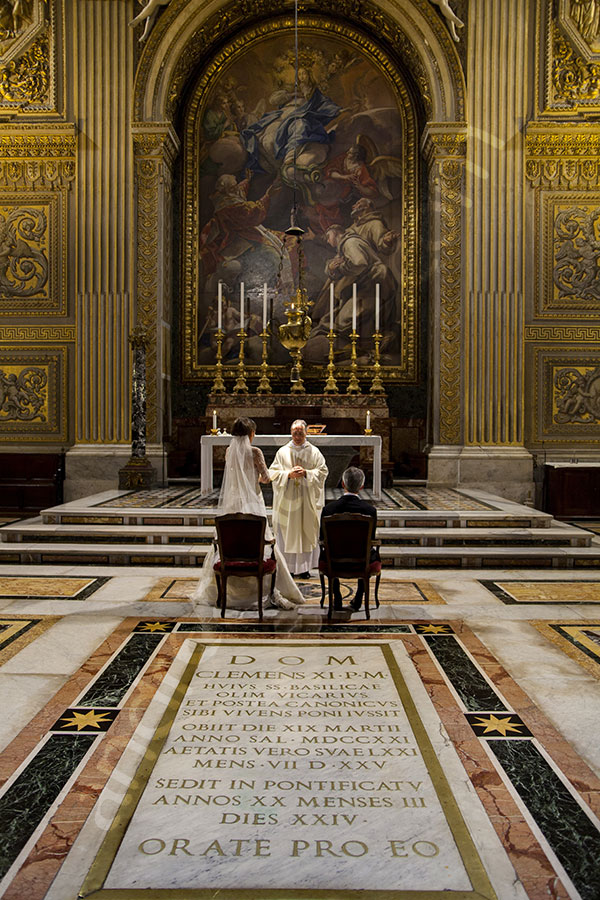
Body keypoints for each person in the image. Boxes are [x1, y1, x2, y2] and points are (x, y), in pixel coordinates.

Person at [193, 417, 303, 612]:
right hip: (252, 502)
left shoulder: (229, 451)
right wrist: (260, 477)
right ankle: (266, 591)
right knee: (261, 540)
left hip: (233, 501)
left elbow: (235, 475)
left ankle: (226, 592)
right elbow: (266, 478)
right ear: (251, 434)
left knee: (231, 539)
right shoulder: (255, 452)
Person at [269, 419, 328, 577]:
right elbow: (272, 473)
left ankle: (304, 569)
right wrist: (288, 474)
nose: (297, 436)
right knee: (287, 533)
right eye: (294, 433)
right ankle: (286, 568)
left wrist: (306, 473)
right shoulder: (282, 452)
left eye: (300, 433)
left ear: (306, 433)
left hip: (306, 500)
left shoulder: (314, 452)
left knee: (305, 532)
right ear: (290, 433)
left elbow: (323, 472)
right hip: (287, 502)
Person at [320, 466, 379, 613]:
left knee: (326, 551)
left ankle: (337, 596)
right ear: (362, 486)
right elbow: (371, 539)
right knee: (368, 551)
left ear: (343, 484)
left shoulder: (328, 509)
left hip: (333, 561)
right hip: (361, 561)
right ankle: (359, 598)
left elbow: (322, 538)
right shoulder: (369, 511)